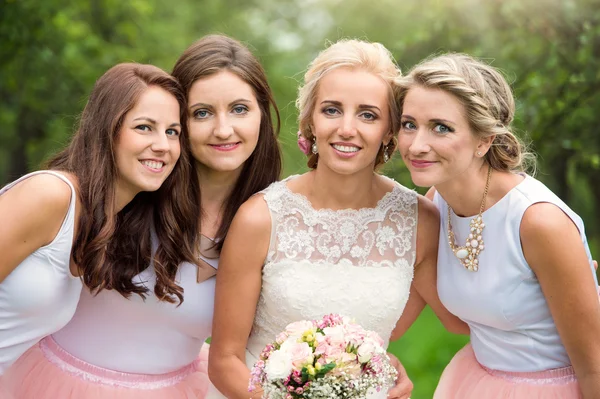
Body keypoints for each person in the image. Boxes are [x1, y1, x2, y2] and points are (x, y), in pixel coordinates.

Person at [4, 34, 282, 399]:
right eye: (201, 113)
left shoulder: (271, 219)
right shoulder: (124, 198)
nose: (223, 129)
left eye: (240, 109)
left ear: (263, 113)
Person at [207, 39, 467, 399]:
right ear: (310, 121)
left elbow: (459, 321)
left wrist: (382, 368)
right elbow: (224, 360)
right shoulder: (260, 218)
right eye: (331, 110)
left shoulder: (420, 222)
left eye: (368, 115)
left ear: (390, 130)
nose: (347, 128)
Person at [396, 53, 600, 398]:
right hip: (477, 381)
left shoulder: (538, 222)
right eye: (408, 124)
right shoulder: (436, 202)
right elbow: (414, 317)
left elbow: (594, 362)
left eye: (441, 127)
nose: (417, 145)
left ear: (483, 140)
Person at [3, 62, 200, 397]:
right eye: (144, 127)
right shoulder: (50, 195)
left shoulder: (107, 222)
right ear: (107, 129)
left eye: (172, 132)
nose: (163, 146)